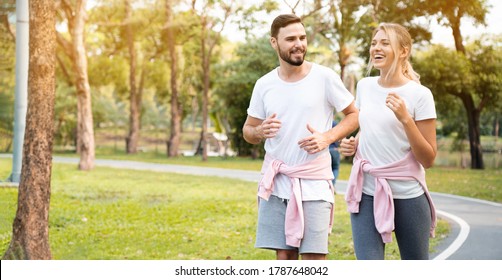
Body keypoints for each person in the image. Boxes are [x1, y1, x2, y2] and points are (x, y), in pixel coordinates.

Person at [242, 14, 359, 260]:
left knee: (314, 260)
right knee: (284, 258)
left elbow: (354, 115)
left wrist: (328, 138)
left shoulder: (324, 77)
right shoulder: (264, 84)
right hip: (276, 183)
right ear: (274, 42)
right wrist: (259, 131)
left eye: (302, 37)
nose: (299, 44)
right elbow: (248, 131)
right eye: (291, 39)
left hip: (314, 183)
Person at [339, 22, 438, 260]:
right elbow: (369, 127)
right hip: (367, 192)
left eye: (385, 43)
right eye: (374, 43)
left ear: (403, 51)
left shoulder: (420, 95)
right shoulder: (365, 86)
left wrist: (406, 119)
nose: (376, 48)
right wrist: (354, 143)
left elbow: (428, 158)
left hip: (407, 195)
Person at [329, 120, 341, 188]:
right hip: (334, 149)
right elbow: (340, 137)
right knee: (335, 168)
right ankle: (332, 185)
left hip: (325, 150)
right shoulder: (335, 124)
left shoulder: (323, 122)